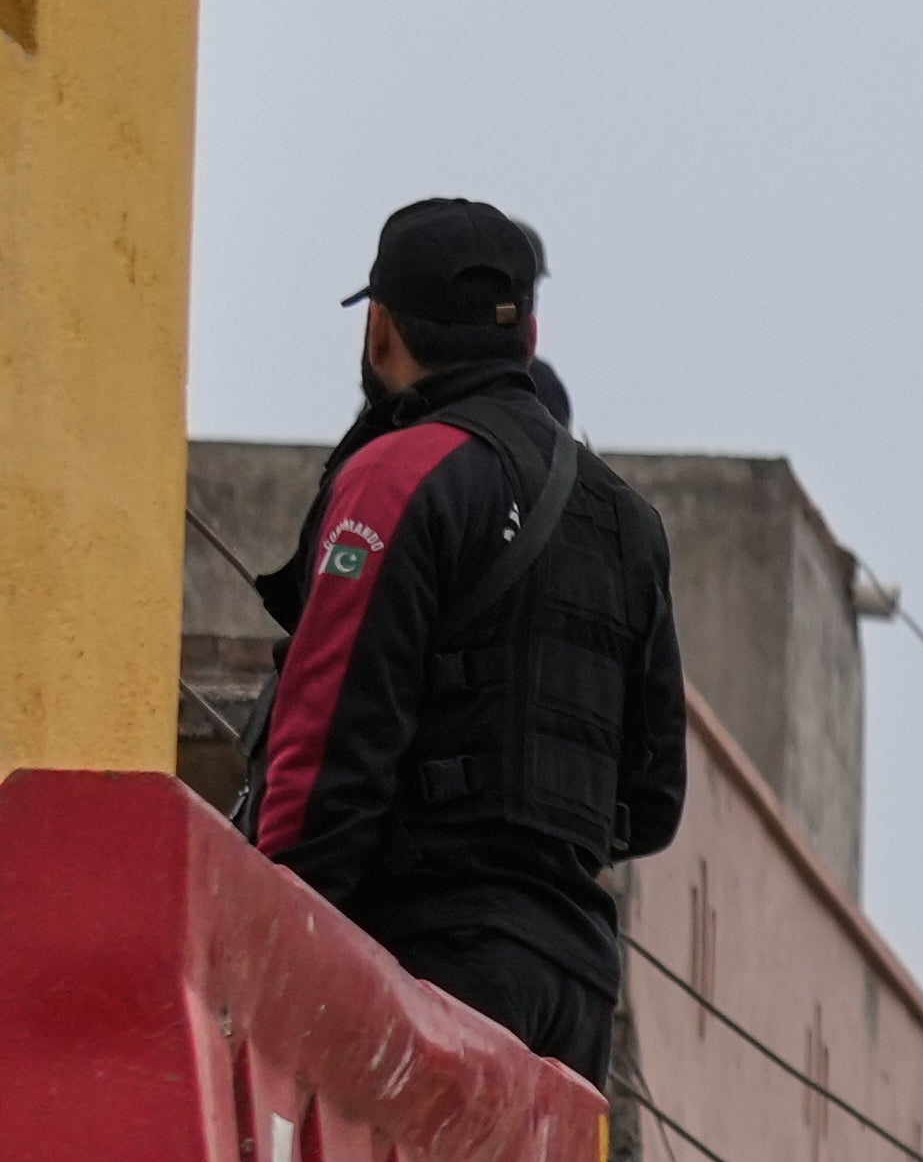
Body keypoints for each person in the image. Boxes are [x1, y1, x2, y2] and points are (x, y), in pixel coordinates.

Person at [236, 199, 684, 1074]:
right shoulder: (630, 522)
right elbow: (655, 798)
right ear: (529, 334)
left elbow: (326, 752)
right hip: (573, 995)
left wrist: (270, 949)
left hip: (426, 967)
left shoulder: (395, 476)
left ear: (380, 328)